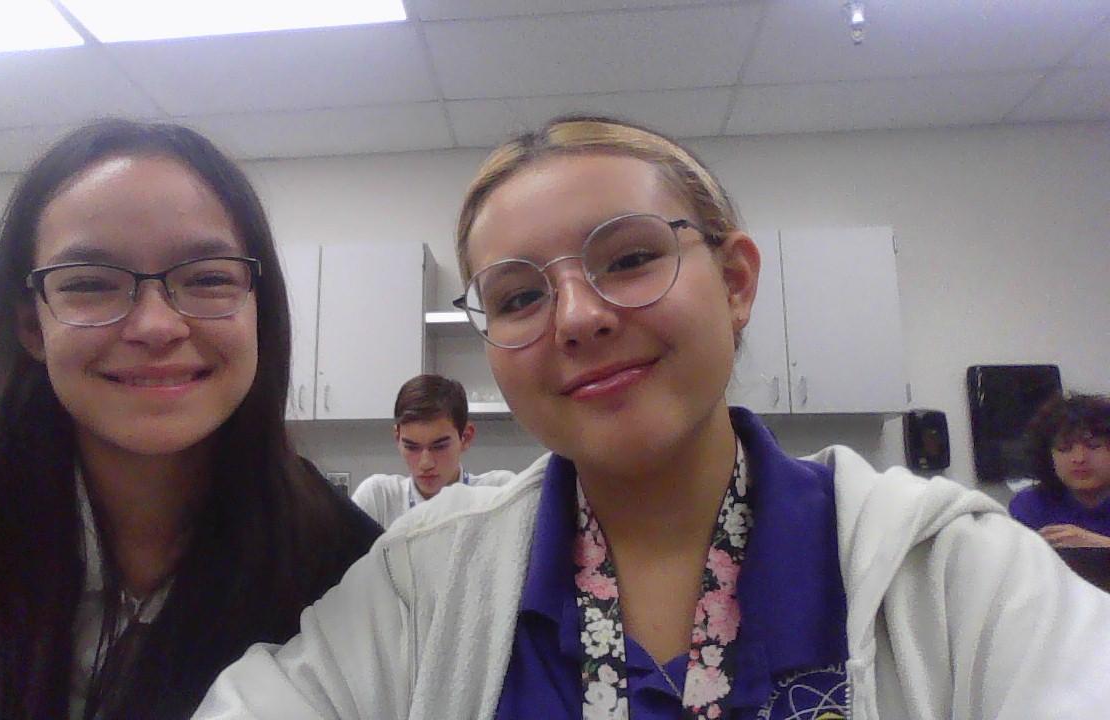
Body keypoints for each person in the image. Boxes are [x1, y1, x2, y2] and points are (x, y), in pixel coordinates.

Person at [194, 116, 1110, 719]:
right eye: (518, 296)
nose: (577, 317)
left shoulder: (951, 571)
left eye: (629, 259)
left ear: (736, 281)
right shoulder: (420, 582)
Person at [0, 119, 381, 719]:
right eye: (91, 284)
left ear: (259, 312)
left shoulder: (346, 566)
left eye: (208, 278)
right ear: (31, 325)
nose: (156, 326)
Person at [351, 374, 515, 528]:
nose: (426, 463)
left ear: (465, 437)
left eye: (439, 446)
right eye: (411, 447)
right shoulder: (379, 499)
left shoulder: (500, 492)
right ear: (397, 438)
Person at [1011, 392, 1110, 548]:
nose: (1079, 458)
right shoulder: (1030, 504)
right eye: (1064, 448)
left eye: (1093, 446)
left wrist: (1099, 545)